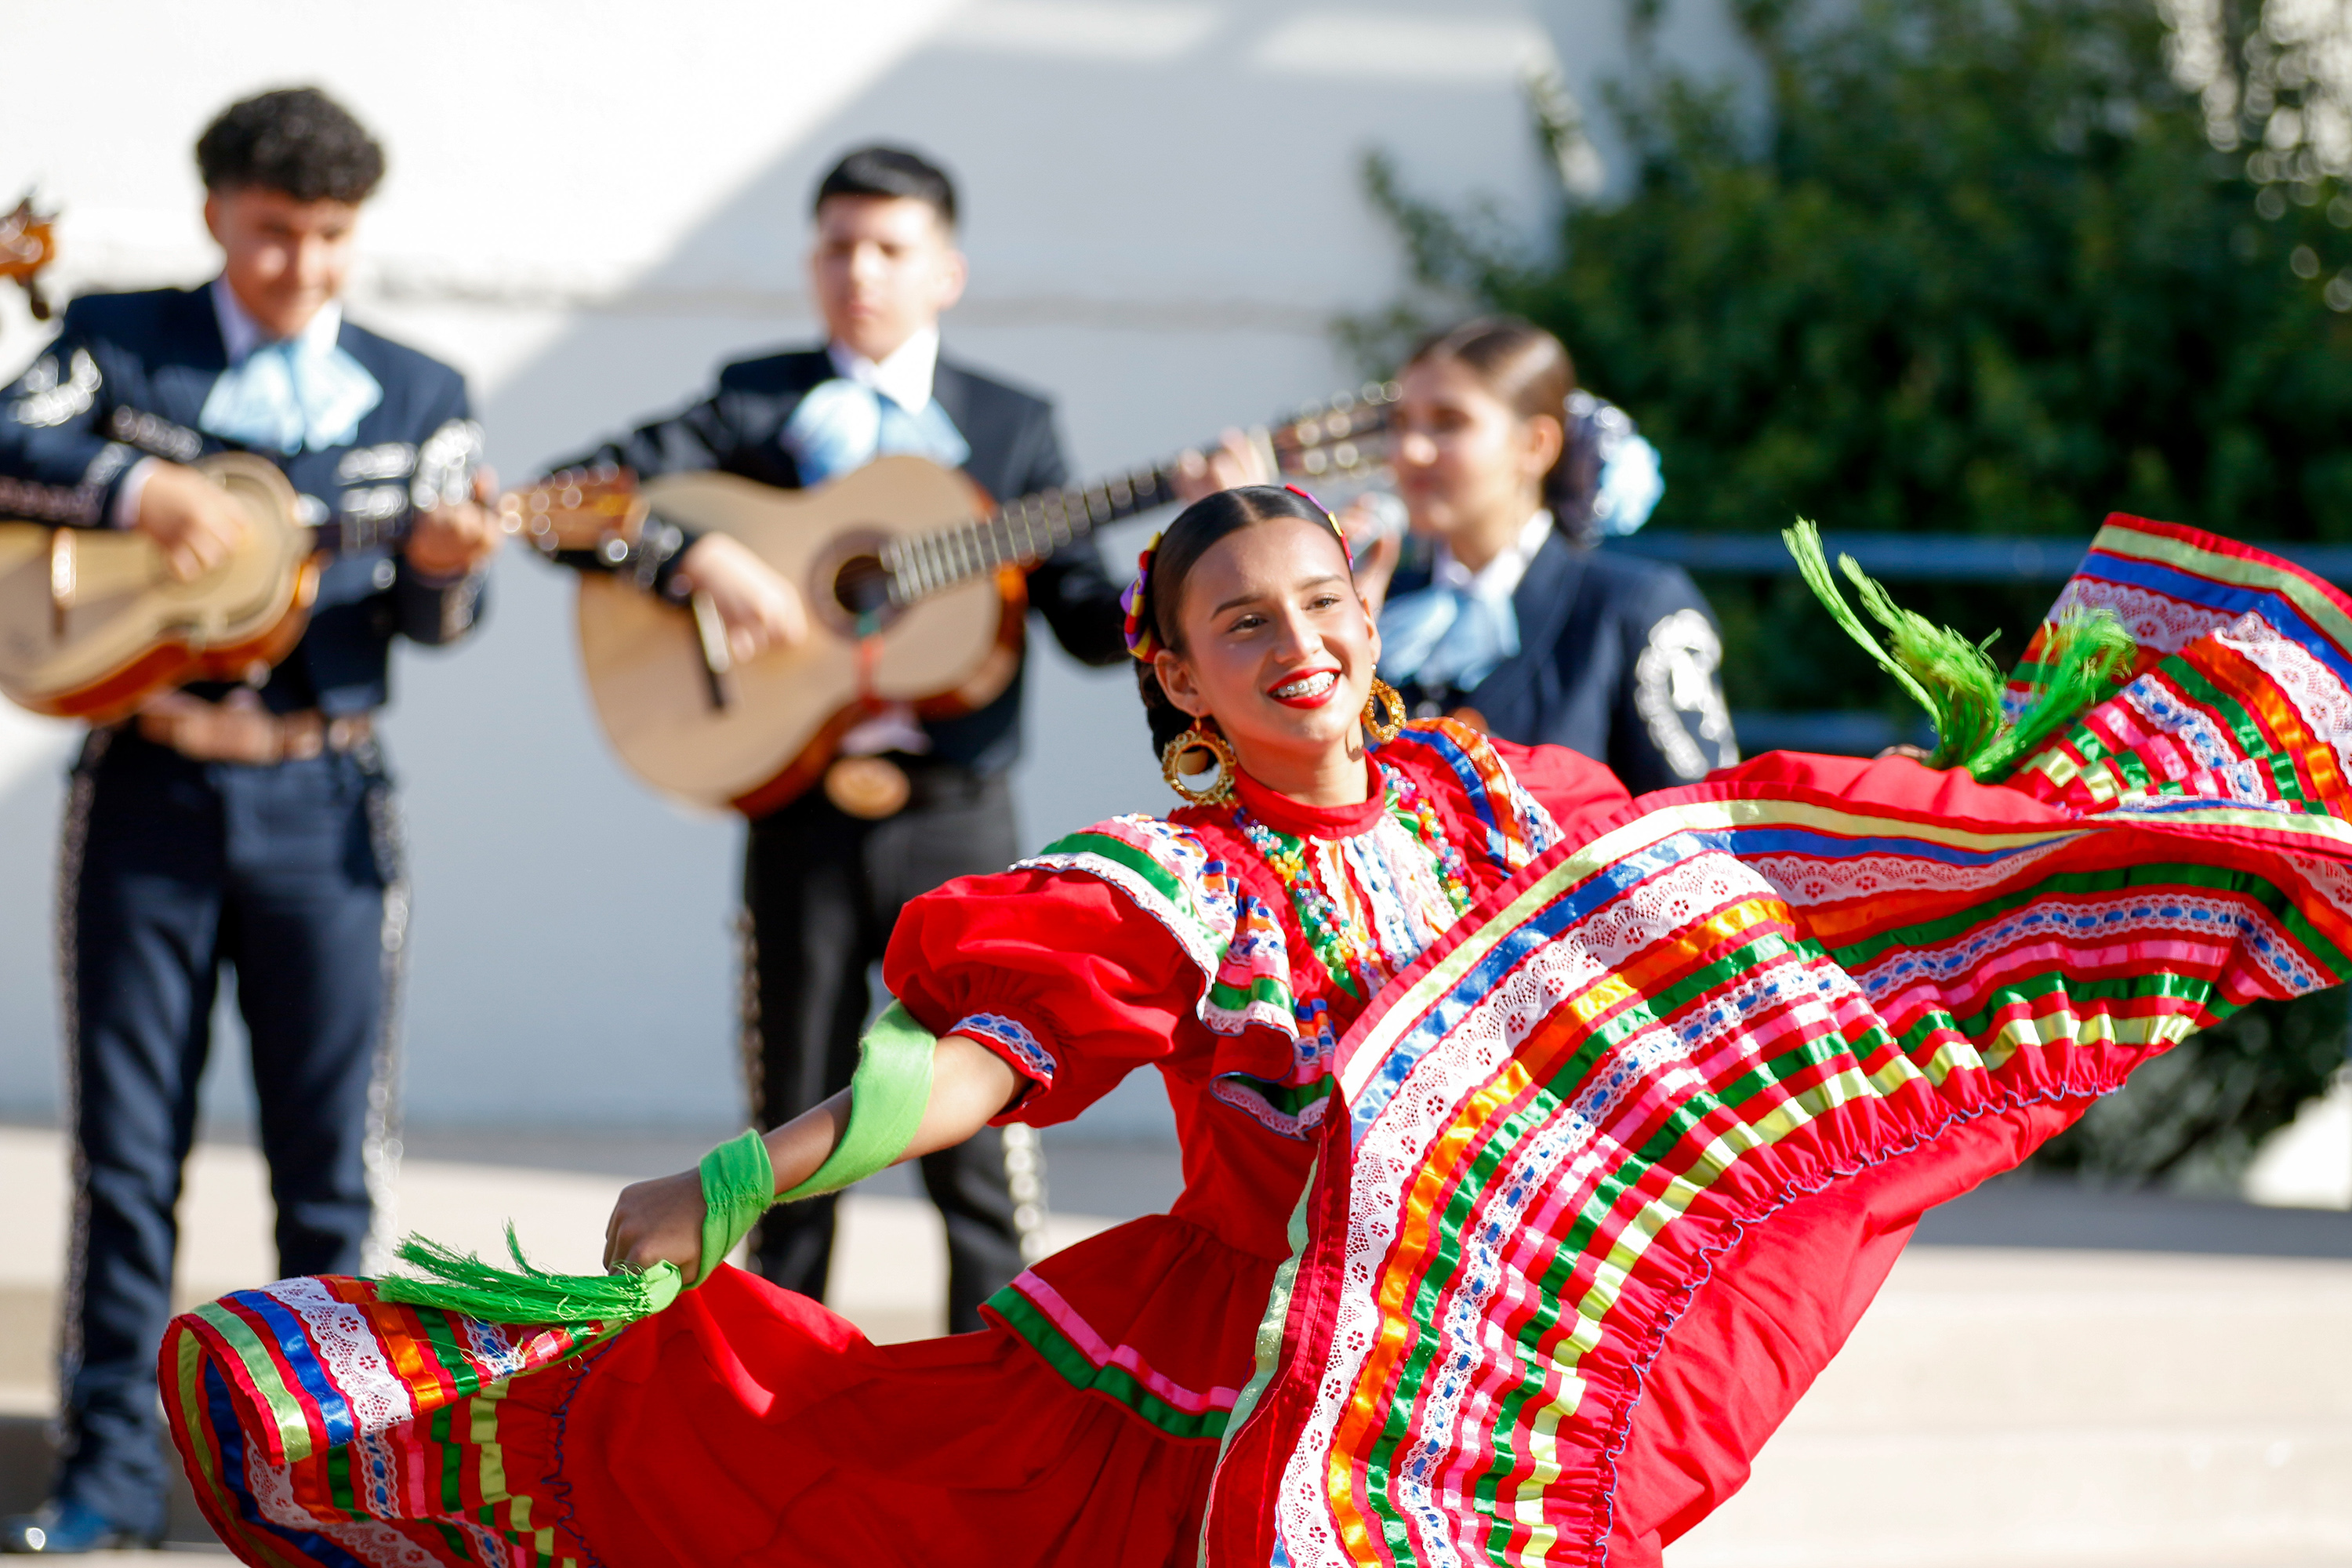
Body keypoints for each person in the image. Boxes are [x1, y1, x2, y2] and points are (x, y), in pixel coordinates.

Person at [161, 490, 2352, 1566]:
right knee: (802, 1471)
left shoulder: (1516, 799)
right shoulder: (1169, 876)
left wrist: (2035, 827)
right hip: (1228, 1385)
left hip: (1507, 1344)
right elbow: (992, 1060)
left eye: (1323, 607)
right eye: (1243, 627)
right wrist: (763, 1166)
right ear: (1182, 680)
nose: (1300, 647)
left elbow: (1737, 944)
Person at [0, 89, 503, 1555]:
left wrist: (455, 562)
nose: (302, 267)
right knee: (126, 1152)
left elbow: (436, 619)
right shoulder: (120, 339)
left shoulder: (421, 391)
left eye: (331, 239)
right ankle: (102, 1477)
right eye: (275, 234)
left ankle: (330, 1483)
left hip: (326, 796)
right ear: (218, 212)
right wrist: (142, 486)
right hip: (146, 784)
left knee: (333, 1163)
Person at [536, 145, 1129, 1333]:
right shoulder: (754, 401)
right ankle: (770, 1415)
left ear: (945, 272)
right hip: (797, 811)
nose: (859, 271)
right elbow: (559, 499)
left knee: (980, 1141)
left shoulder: (1012, 426)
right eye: (837, 246)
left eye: (889, 249)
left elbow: (1083, 618)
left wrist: (1188, 579)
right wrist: (691, 556)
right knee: (786, 1136)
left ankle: (989, 1425)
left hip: (957, 810)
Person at [1373, 316, 1737, 791]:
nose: (1411, 451)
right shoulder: (1375, 606)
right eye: (1401, 424)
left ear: (1535, 444)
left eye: (1449, 423)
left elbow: (1703, 828)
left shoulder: (1632, 607)